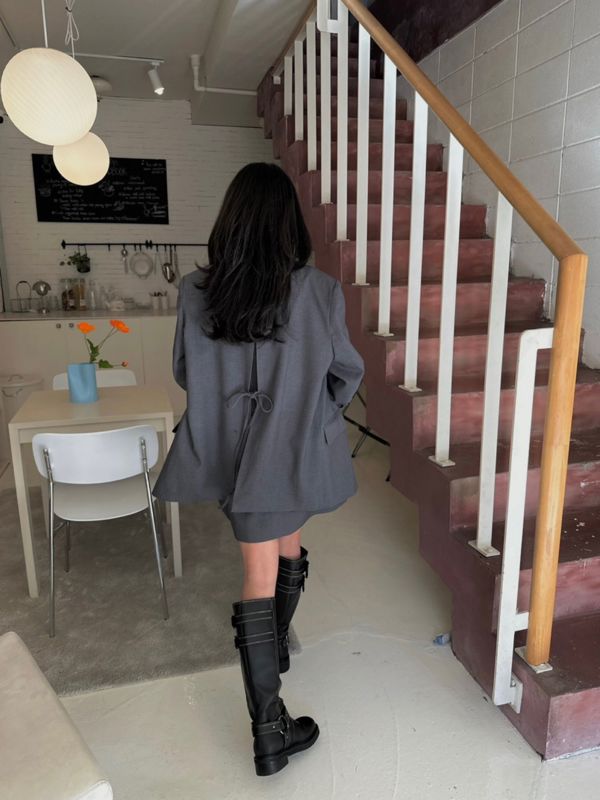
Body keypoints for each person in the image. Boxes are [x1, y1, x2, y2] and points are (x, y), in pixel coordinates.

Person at [154, 162, 364, 777]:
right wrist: (310, 414)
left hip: (231, 451)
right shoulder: (319, 291)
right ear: (288, 223)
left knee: (283, 544)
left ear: (231, 221)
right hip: (292, 449)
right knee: (262, 569)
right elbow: (345, 372)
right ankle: (270, 731)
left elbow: (185, 370)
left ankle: (272, 651)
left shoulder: (197, 291)